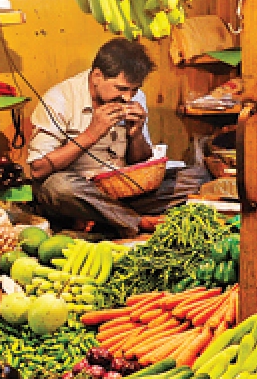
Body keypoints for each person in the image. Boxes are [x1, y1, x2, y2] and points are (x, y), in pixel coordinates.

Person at [27, 38, 207, 238]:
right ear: (97, 76)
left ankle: (104, 218)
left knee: (197, 177)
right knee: (57, 188)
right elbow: (38, 169)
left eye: (134, 89)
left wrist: (136, 135)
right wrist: (91, 134)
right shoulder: (60, 99)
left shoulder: (135, 97)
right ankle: (136, 221)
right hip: (80, 191)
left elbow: (139, 162)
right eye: (121, 89)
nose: (128, 97)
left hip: (120, 189)